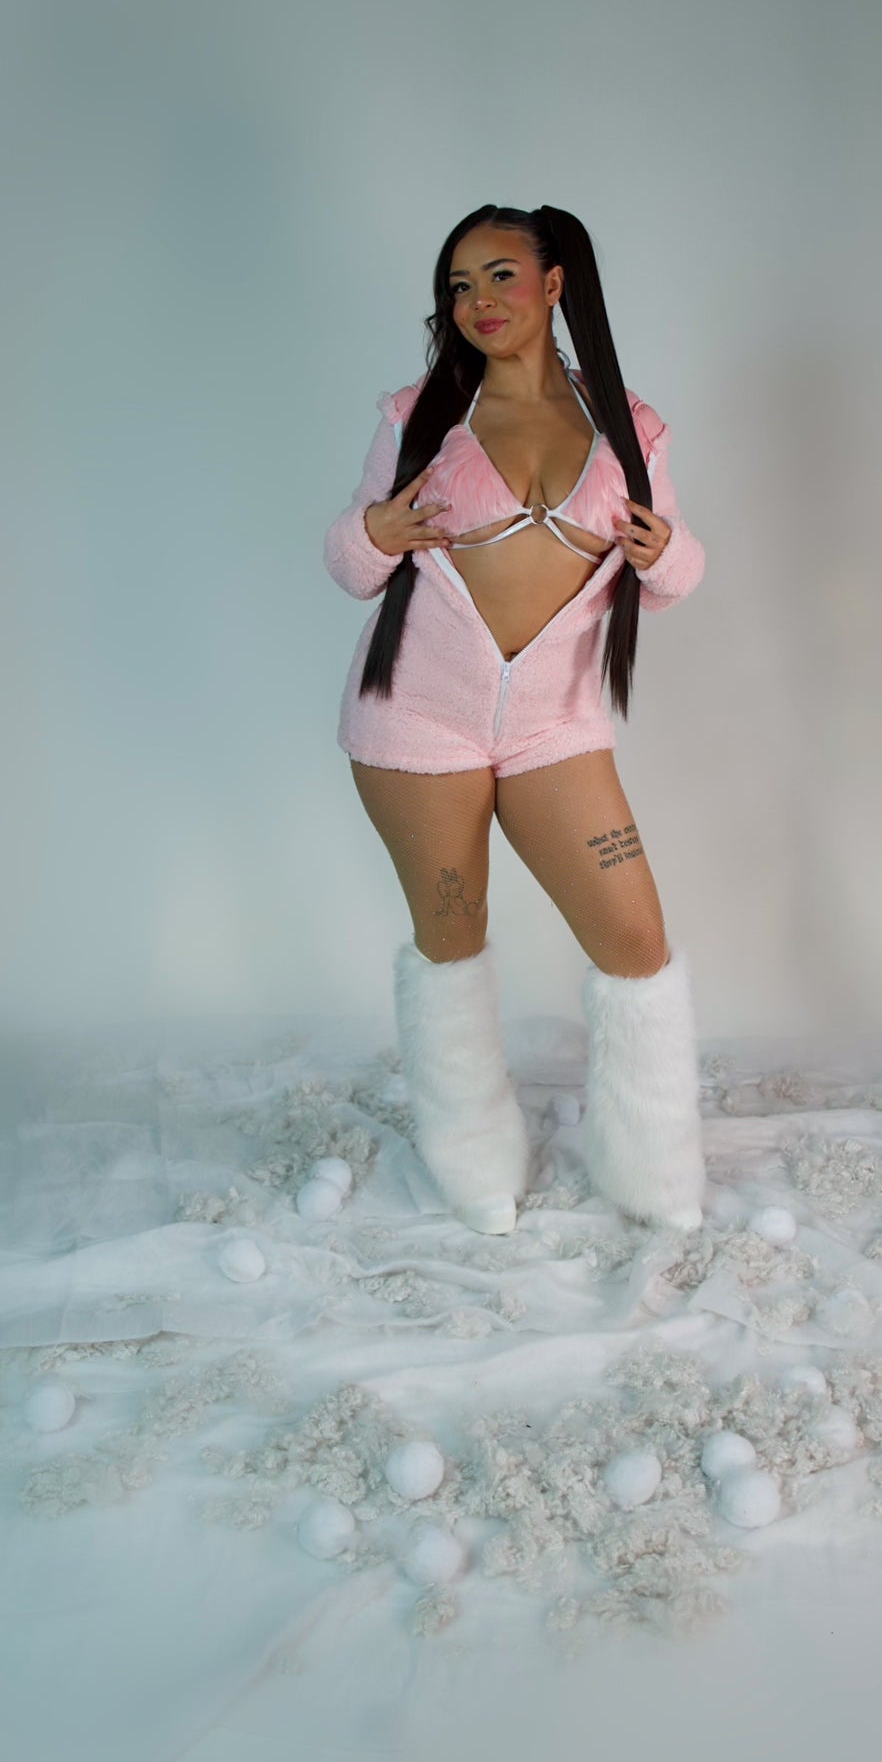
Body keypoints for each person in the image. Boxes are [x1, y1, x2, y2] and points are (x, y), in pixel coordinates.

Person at [323, 202, 708, 1239]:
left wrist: (664, 551)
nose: (478, 301)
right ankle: (471, 1158)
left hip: (554, 727)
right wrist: (375, 529)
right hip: (418, 723)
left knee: (634, 934)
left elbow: (677, 574)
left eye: (500, 275)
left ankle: (655, 1167)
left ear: (553, 285)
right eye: (459, 285)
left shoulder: (629, 426)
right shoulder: (420, 416)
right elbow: (351, 565)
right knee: (452, 935)